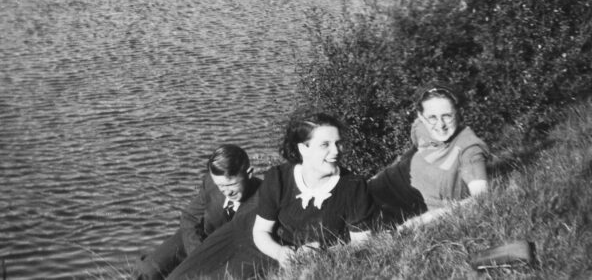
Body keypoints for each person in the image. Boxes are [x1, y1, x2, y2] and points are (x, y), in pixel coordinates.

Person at [167, 111, 374, 279]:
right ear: (303, 148)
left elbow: (363, 243)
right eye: (325, 145)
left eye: (338, 143)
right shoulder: (280, 177)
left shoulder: (353, 187)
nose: (336, 151)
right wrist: (280, 252)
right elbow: (261, 231)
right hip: (258, 241)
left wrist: (324, 253)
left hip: (283, 261)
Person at [368, 82, 489, 231]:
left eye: (447, 116)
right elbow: (413, 151)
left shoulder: (469, 148)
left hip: (398, 211)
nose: (440, 125)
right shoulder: (420, 126)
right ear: (422, 116)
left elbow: (481, 198)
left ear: (458, 112)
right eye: (432, 117)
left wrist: (428, 218)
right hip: (373, 188)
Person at [133, 144, 261, 280]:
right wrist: (198, 253)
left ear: (249, 173)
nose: (227, 192)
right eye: (221, 186)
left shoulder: (265, 197)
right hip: (198, 239)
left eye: (231, 184)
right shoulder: (211, 182)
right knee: (148, 270)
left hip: (229, 252)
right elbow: (190, 218)